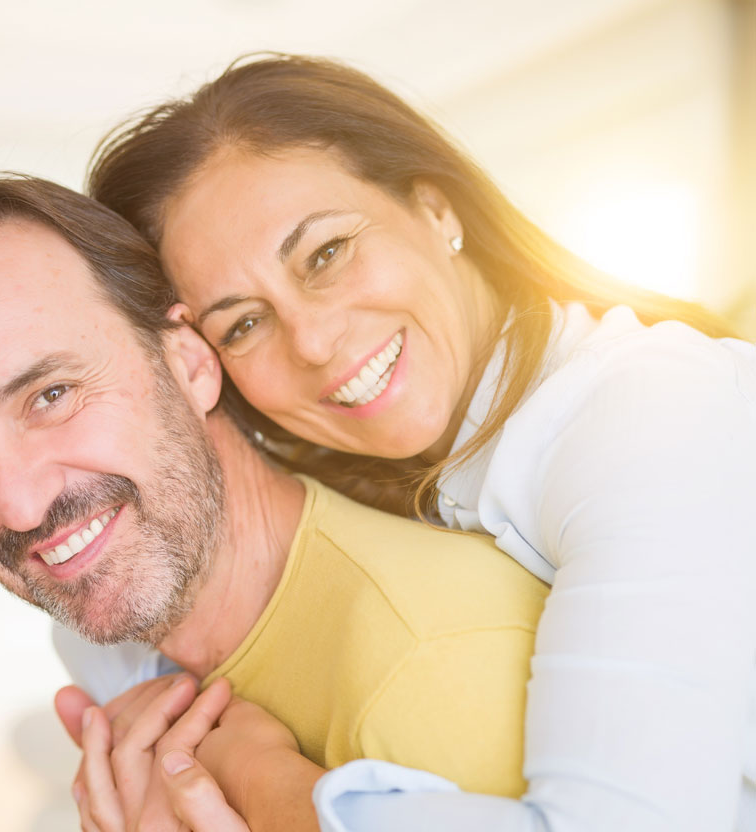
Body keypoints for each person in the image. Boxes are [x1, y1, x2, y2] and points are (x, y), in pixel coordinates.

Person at [77, 54, 756, 831]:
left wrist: (263, 784)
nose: (314, 341)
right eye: (244, 323)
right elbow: (101, 629)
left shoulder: (651, 417)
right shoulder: (373, 476)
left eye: (325, 254)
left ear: (435, 208)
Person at [0, 175, 552, 831]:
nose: (18, 506)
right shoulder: (109, 647)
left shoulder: (437, 664)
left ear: (189, 362)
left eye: (50, 396)